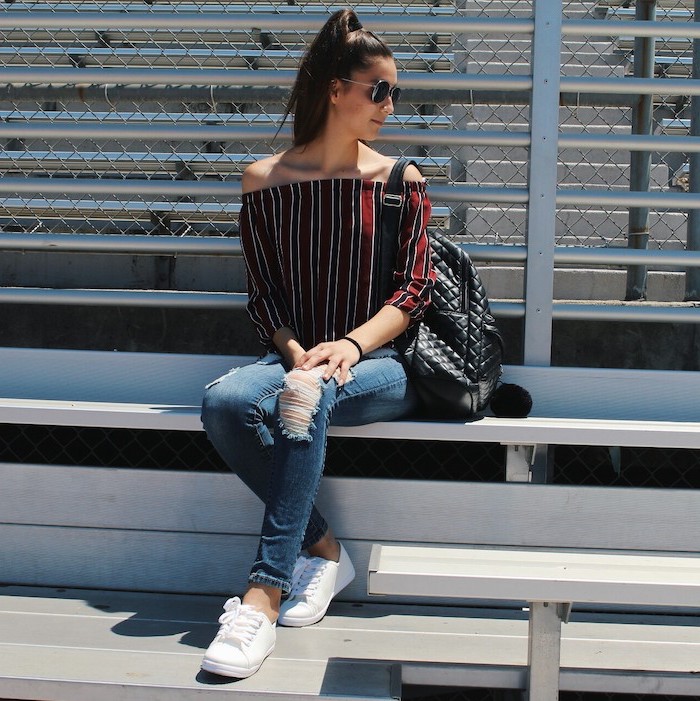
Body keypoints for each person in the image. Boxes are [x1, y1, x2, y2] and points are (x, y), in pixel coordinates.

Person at [199, 8, 435, 679]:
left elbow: (411, 293)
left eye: (396, 92)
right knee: (224, 401)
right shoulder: (264, 181)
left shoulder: (399, 182)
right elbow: (263, 295)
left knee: (305, 392)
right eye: (379, 89)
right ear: (337, 90)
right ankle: (325, 549)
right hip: (296, 359)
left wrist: (348, 349)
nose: (390, 104)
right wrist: (297, 348)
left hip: (380, 367)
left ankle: (262, 598)